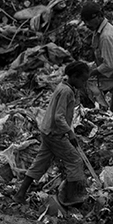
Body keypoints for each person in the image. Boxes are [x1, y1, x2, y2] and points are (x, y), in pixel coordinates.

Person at [14, 61, 91, 206]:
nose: (84, 84)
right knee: (75, 160)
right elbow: (59, 117)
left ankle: (20, 194)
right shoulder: (66, 92)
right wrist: (70, 133)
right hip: (55, 134)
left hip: (47, 131)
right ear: (74, 76)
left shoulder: (63, 86)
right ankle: (70, 198)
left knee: (41, 162)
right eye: (83, 80)